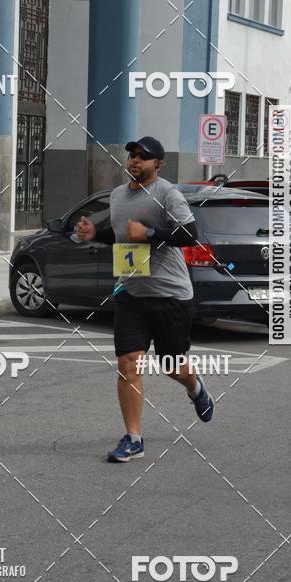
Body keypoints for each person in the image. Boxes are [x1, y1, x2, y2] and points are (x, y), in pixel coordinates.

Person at [76, 136, 214, 462]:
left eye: (144, 156)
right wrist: (95, 234)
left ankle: (195, 388)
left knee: (171, 365)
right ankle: (134, 438)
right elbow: (122, 234)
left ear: (159, 164)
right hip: (132, 292)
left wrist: (151, 234)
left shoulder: (167, 193)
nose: (135, 160)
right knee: (128, 364)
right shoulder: (118, 196)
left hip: (170, 294)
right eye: (132, 155)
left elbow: (190, 233)